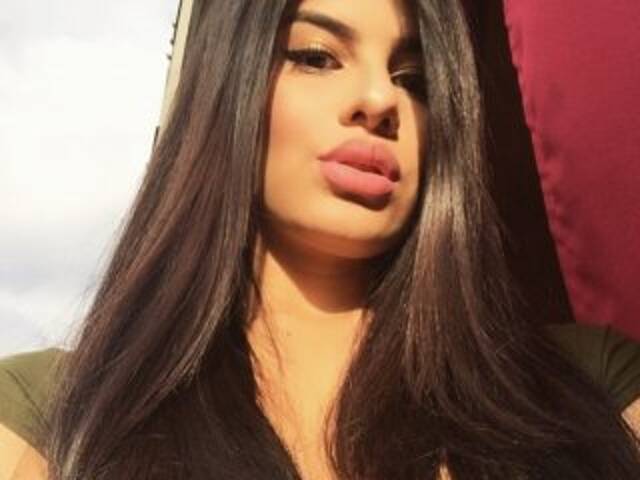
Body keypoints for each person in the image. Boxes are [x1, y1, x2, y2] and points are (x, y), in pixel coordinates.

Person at [2, 0, 640, 478]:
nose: (379, 99)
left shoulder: (592, 389)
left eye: (413, 79)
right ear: (227, 87)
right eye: (316, 57)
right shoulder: (48, 417)